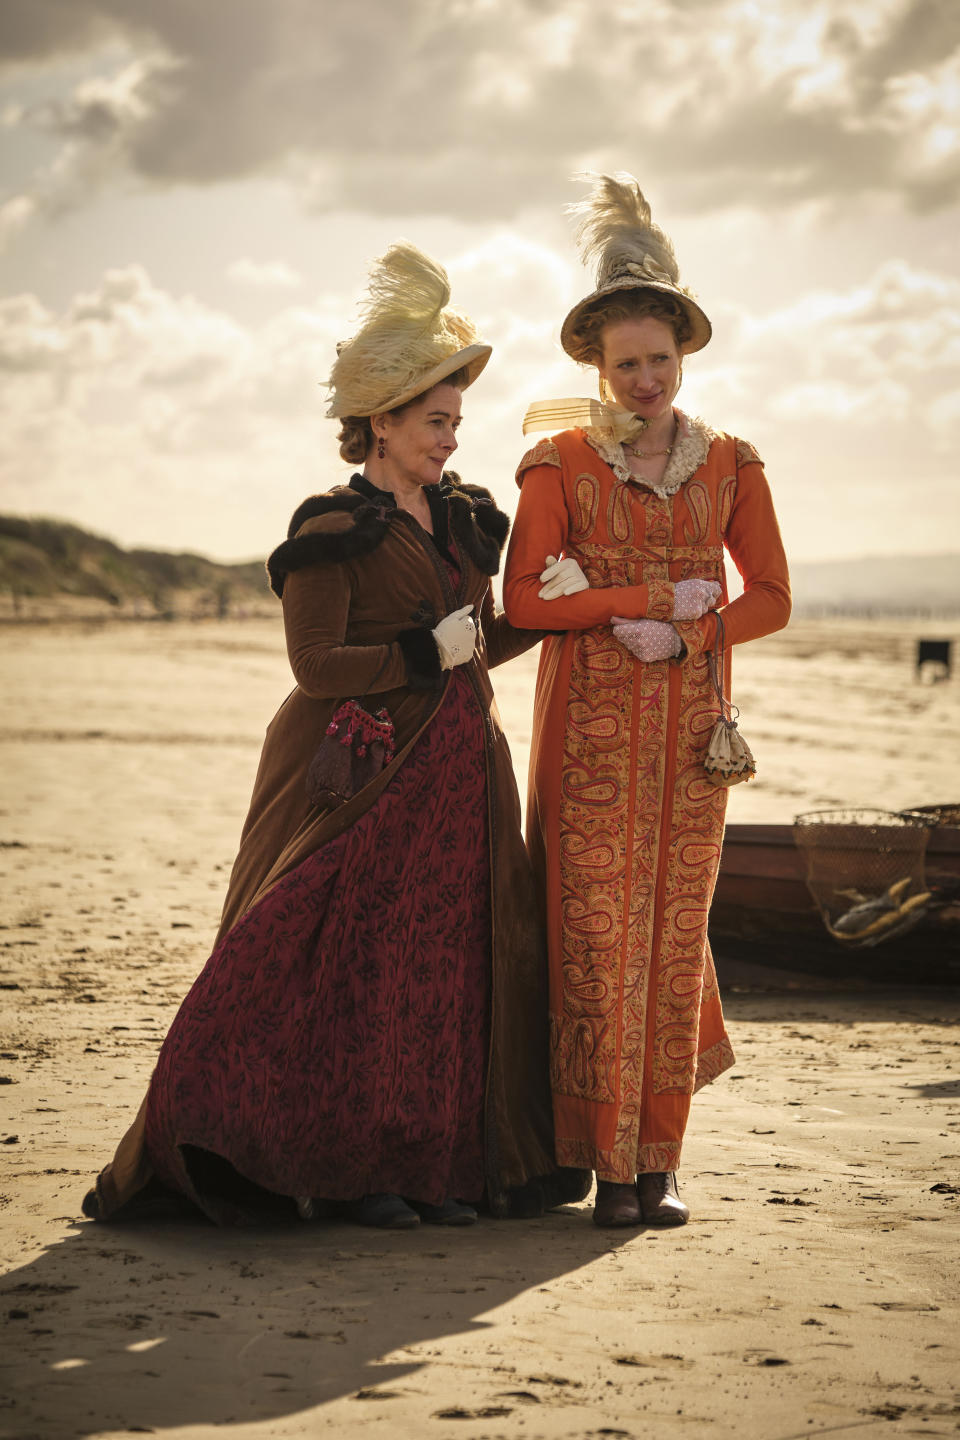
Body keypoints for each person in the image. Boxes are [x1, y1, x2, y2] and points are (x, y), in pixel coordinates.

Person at [82, 242, 589, 1229]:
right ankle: (339, 1175)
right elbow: (317, 667)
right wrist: (420, 650)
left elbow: (473, 651)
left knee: (443, 981)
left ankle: (433, 1171)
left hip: (461, 784)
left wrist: (539, 612)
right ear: (381, 423)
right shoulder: (327, 529)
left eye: (454, 422)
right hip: (360, 777)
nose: (449, 439)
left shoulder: (462, 525)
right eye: (434, 422)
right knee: (328, 965)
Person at [502, 174, 791, 1228]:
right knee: (593, 936)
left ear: (685, 352)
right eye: (625, 364)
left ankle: (656, 1166)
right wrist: (632, 600)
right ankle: (601, 1172)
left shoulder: (732, 465)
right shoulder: (557, 462)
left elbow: (777, 599)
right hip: (586, 739)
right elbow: (523, 599)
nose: (644, 379)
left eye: (659, 359)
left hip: (695, 745)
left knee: (671, 935)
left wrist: (691, 630)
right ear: (595, 364)